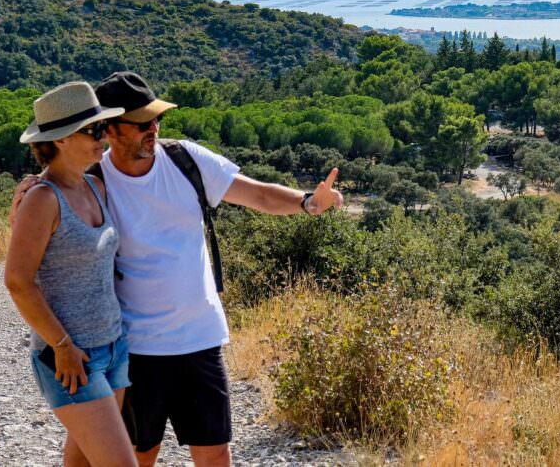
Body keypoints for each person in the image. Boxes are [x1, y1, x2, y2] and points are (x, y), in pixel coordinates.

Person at [19, 71, 343, 467]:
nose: (152, 129)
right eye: (141, 123)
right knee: (137, 456)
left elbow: (256, 192)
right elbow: (37, 236)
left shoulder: (184, 160)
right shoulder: (93, 181)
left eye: (157, 120)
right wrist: (29, 190)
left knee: (215, 454)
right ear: (111, 129)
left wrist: (308, 202)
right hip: (133, 347)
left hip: (197, 339)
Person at [4, 81, 135, 467]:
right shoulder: (43, 198)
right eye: (93, 130)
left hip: (113, 345)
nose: (103, 137)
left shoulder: (95, 186)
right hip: (70, 357)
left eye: (103, 128)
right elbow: (17, 281)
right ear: (60, 140)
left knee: (81, 462)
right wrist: (61, 346)